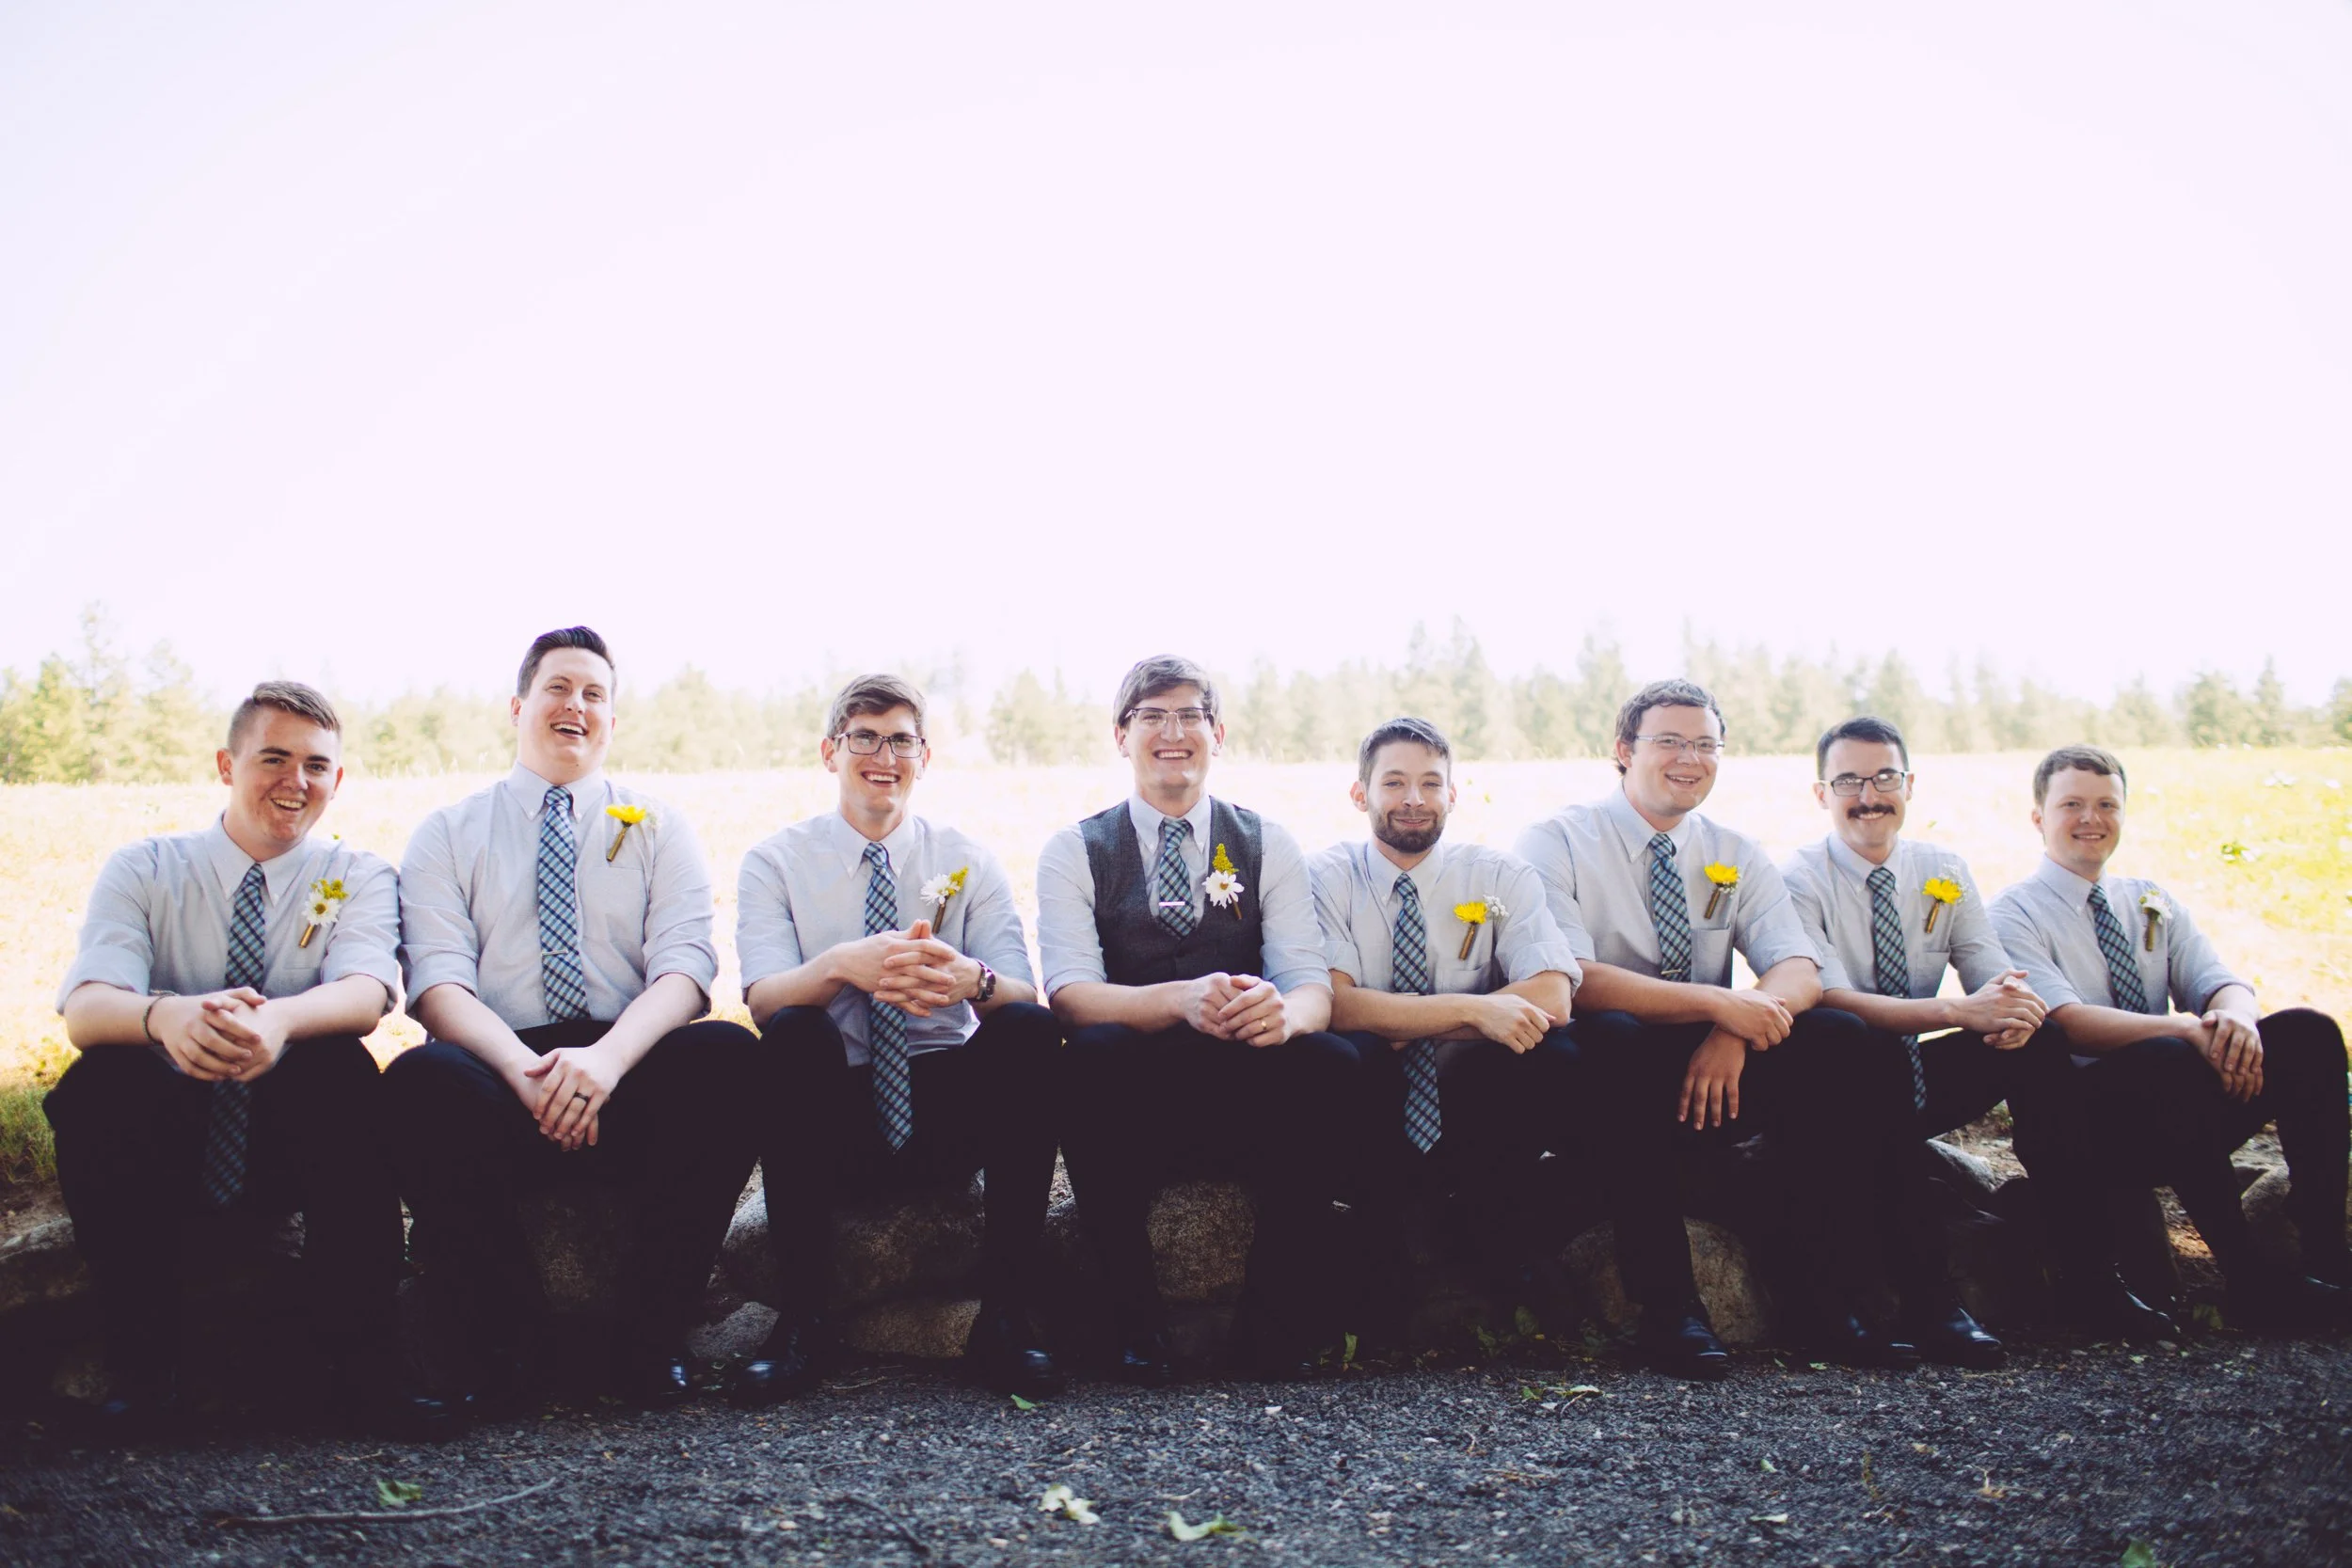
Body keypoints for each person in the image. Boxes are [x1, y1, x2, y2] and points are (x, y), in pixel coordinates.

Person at [48, 681, 453, 1438]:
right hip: (161, 1137)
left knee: (341, 1071)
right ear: (225, 765)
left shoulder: (356, 874)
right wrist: (167, 1016)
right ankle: (143, 1378)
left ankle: (364, 1372)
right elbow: (85, 1006)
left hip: (288, 1140)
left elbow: (368, 990)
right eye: (273, 757)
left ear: (339, 780)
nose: (295, 781)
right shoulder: (146, 868)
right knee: (98, 1083)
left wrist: (280, 1022)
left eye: (316, 765)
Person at [385, 626, 760, 1408]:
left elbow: (686, 968)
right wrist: (525, 1074)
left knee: (728, 1056)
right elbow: (438, 985)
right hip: (500, 1075)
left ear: (613, 723)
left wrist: (607, 1062)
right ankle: (511, 1345)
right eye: (559, 687)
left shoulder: (659, 826)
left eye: (595, 694)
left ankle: (650, 1341)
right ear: (520, 706)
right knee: (420, 1080)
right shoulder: (449, 833)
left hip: (624, 1071)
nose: (576, 706)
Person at [1516, 678, 1918, 1376]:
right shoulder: (1557, 840)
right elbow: (1573, 976)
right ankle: (1667, 1309)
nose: (1690, 758)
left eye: (1706, 744)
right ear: (1622, 750)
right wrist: (1719, 1004)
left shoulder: (1734, 848)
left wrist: (1736, 1027)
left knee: (1847, 1043)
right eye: (1669, 740)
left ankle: (1826, 1300)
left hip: (1707, 1060)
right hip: (1595, 1072)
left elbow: (1800, 968)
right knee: (1615, 1039)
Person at [730, 674, 1061, 1404]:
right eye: (865, 737)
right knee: (794, 1033)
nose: (884, 754)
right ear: (830, 752)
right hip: (834, 1109)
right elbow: (760, 1000)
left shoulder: (964, 857)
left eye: (901, 740)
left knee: (1031, 1033)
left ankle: (1005, 1316)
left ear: (925, 756)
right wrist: (843, 966)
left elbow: (1020, 989)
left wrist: (968, 980)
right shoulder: (776, 862)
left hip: (943, 1098)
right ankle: (804, 1319)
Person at [1783, 716, 2143, 1360]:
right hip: (1839, 1082)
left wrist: (2016, 1005)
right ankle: (1927, 1300)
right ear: (1821, 794)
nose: (1869, 794)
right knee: (1854, 1039)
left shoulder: (1942, 869)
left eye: (1885, 776)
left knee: (2039, 1040)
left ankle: (2090, 1276)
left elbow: (1988, 965)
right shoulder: (1800, 877)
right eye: (1849, 780)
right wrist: (1960, 1008)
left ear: (1910, 783)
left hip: (1920, 1070)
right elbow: (1829, 996)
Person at [1039, 655, 1357, 1382]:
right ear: (1121, 736)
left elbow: (1309, 980)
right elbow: (1071, 993)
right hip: (1135, 1100)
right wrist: (1178, 998)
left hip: (1244, 1087)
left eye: (1189, 715)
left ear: (1218, 732)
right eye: (1152, 716)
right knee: (1086, 1056)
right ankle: (1134, 1325)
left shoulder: (1266, 842)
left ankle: (1271, 1329)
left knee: (1333, 1062)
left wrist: (1288, 1014)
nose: (1172, 731)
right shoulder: (1075, 849)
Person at [1990, 744, 2351, 1333]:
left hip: (2183, 1104)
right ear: (2039, 817)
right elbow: (2066, 1020)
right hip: (2090, 1127)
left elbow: (2217, 980)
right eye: (2072, 804)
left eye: (2107, 804)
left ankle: (2327, 1258)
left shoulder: (2150, 900)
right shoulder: (2012, 913)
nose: (2092, 818)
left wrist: (2234, 1018)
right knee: (2164, 1055)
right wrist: (2185, 1028)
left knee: (2308, 1033)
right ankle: (2250, 1280)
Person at [1312, 717, 1642, 1345]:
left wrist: (1418, 1021)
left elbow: (1553, 992)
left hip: (1473, 1109)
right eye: (1396, 782)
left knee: (1553, 1045)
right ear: (1361, 794)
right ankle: (1378, 1255)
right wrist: (1471, 1011)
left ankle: (1498, 1229)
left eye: (1432, 782)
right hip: (1372, 1119)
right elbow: (1334, 1003)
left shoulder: (1498, 875)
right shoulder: (1325, 876)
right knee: (1350, 1051)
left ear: (1453, 795)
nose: (1415, 798)